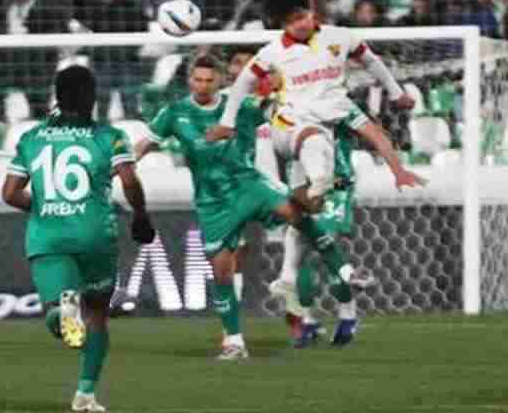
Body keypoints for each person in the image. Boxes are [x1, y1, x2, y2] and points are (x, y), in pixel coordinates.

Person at [207, 0, 424, 316]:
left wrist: (399, 164)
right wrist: (226, 122)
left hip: (316, 135)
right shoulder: (272, 53)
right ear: (282, 25)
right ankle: (317, 183)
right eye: (292, 21)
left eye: (304, 15)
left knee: (306, 210)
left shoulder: (340, 42)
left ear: (312, 13)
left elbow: (371, 64)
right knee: (313, 139)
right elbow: (241, 86)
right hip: (288, 125)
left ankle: (290, 280)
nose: (302, 23)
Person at [136, 54, 368, 359]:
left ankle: (347, 271)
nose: (202, 86)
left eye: (209, 80)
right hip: (212, 202)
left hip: (249, 185)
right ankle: (234, 341)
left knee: (296, 214)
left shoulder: (242, 107)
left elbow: (281, 111)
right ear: (189, 80)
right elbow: (144, 144)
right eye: (197, 79)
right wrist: (119, 165)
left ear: (221, 81)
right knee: (222, 272)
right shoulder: (174, 112)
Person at [1, 65, 154, 412]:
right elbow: (130, 181)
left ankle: (61, 316)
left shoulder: (32, 138)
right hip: (95, 235)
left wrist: (45, 206)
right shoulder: (110, 136)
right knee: (97, 313)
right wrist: (141, 216)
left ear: (57, 97)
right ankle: (85, 394)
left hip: (49, 238)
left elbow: (10, 193)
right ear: (92, 98)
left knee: (62, 311)